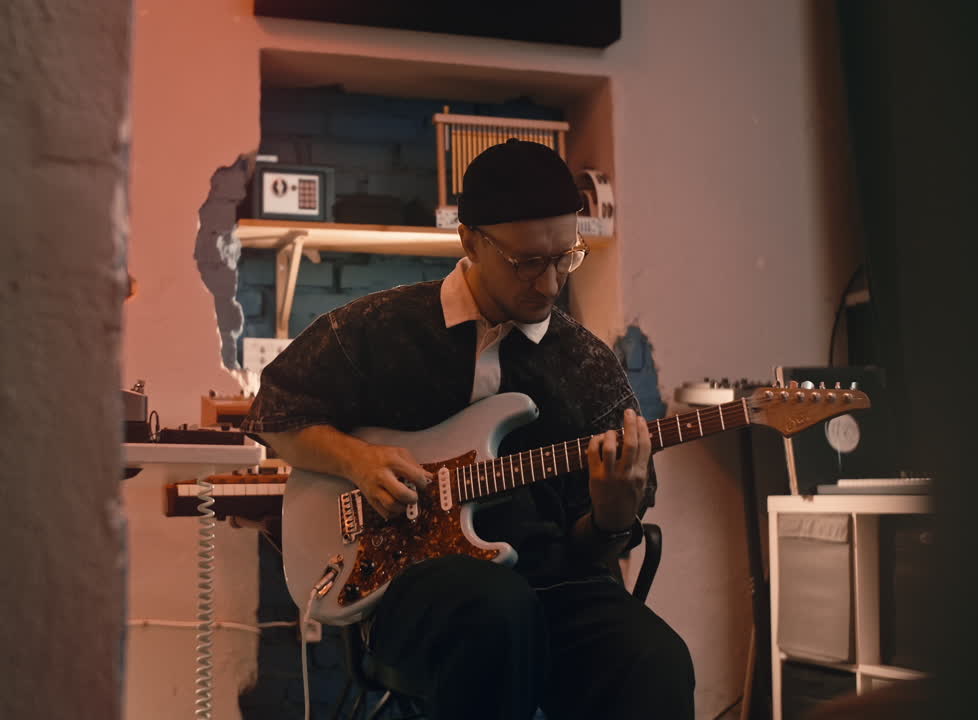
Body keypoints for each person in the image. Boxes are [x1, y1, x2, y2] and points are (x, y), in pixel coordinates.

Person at [240, 139, 694, 719]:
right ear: (470, 240)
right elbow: (273, 413)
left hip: (556, 590)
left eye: (565, 258)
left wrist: (612, 515)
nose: (550, 283)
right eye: (528, 262)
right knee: (494, 610)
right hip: (417, 589)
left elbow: (592, 549)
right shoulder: (379, 327)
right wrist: (357, 459)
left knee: (655, 658)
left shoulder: (587, 364)